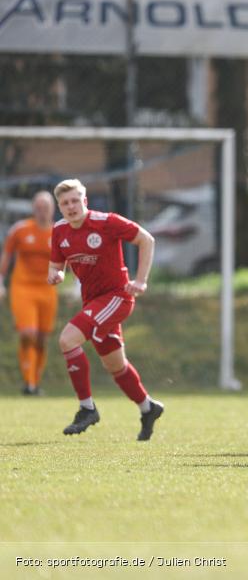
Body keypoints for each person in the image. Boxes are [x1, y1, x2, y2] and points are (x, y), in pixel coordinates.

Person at [48, 179, 164, 440]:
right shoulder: (59, 231)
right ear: (60, 207)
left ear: (85, 201)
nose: (71, 206)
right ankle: (148, 407)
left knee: (67, 339)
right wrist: (55, 275)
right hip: (93, 302)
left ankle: (87, 408)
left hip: (117, 297)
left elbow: (147, 240)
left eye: (75, 200)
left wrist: (141, 280)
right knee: (115, 365)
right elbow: (55, 266)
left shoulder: (106, 222)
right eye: (65, 203)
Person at [1, 192, 57, 395]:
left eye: (46, 207)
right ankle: (28, 383)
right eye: (39, 207)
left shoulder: (59, 232)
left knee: (41, 338)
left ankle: (35, 381)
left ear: (52, 209)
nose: (42, 211)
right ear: (33, 209)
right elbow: (6, 253)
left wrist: (77, 283)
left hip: (47, 289)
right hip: (23, 287)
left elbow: (70, 258)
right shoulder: (21, 229)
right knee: (27, 333)